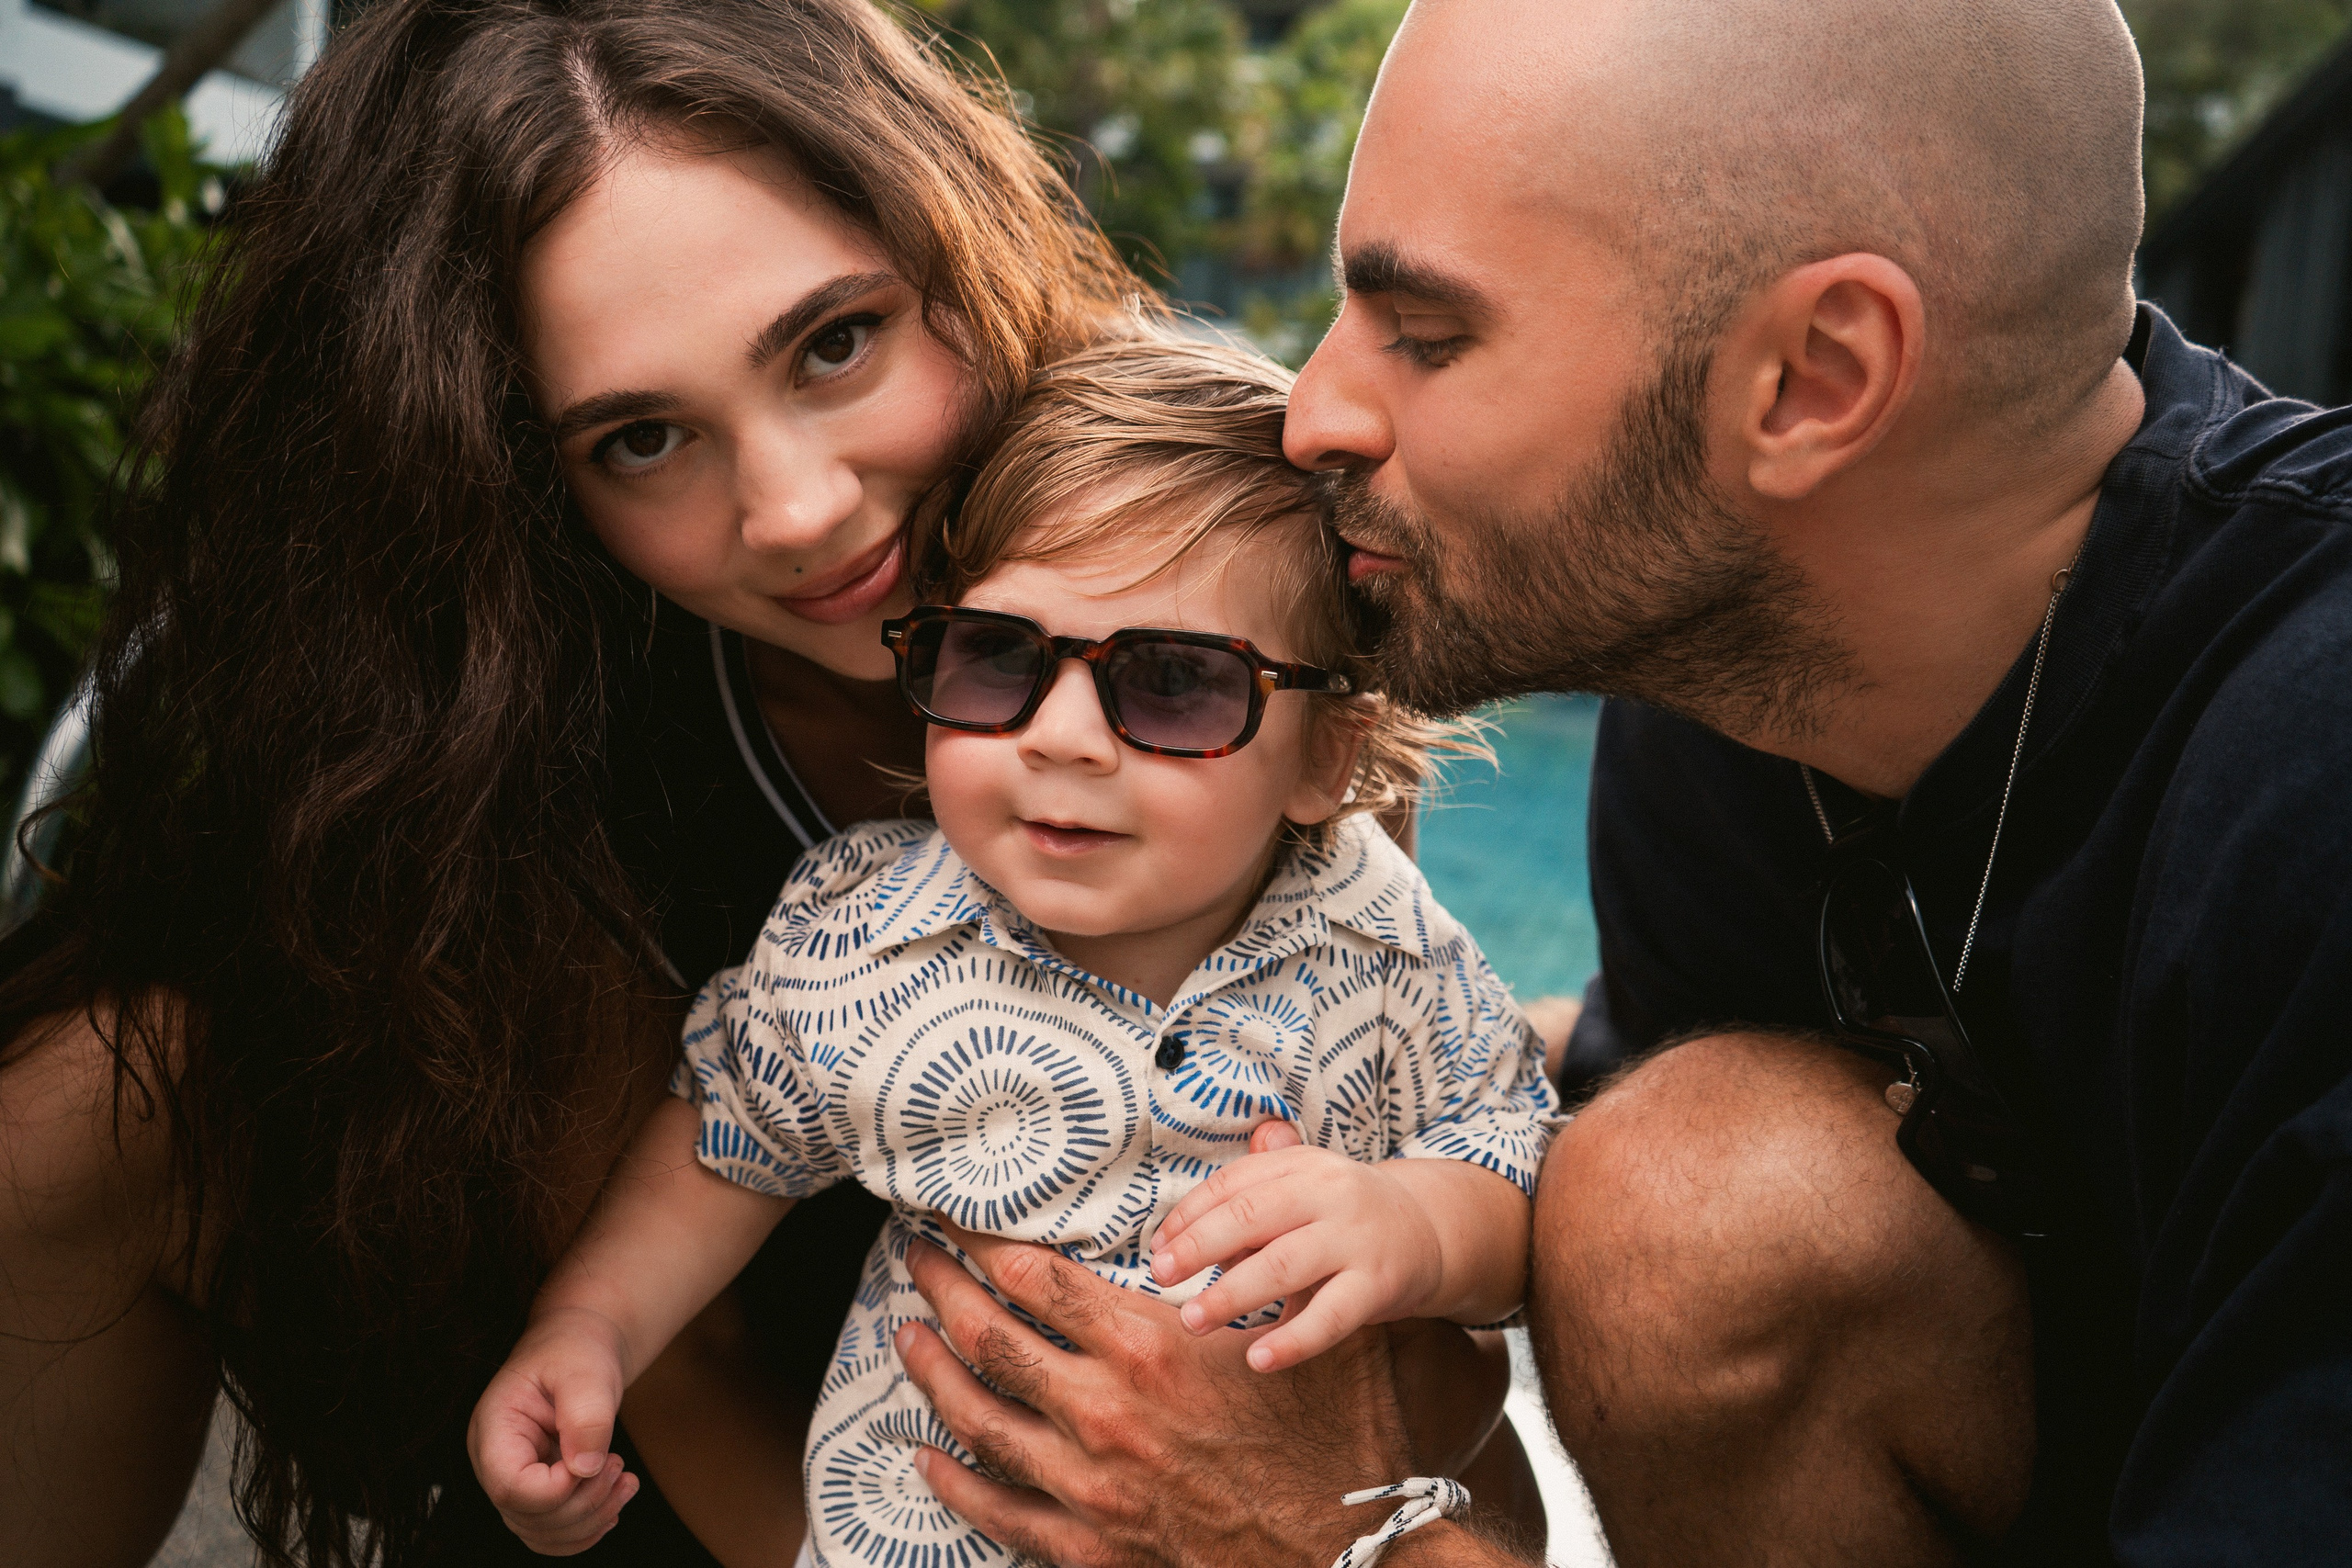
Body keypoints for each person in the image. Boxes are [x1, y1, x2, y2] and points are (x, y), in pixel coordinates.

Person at [872, 1, 2352, 1566]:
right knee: (1672, 1195)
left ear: (1813, 377)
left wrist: (1323, 1535)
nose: (1312, 413)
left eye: (1426, 336)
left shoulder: (2306, 765)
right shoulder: (1731, 689)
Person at [0, 2, 1155, 1563]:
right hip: (691, 1435)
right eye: (642, 439)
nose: (797, 512)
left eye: (836, 342)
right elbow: (687, 1360)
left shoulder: (1217, 561)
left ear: (956, 242)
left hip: (1124, 1401)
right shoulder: (539, 733)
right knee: (68, 1110)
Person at [466, 341, 1560, 1565]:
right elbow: (729, 1138)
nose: (1063, 738)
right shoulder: (872, 933)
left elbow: (1512, 1165)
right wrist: (587, 1330)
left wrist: (1412, 1222)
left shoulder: (1382, 944)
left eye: (1174, 683)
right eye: (1000, 658)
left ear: (1323, 757)